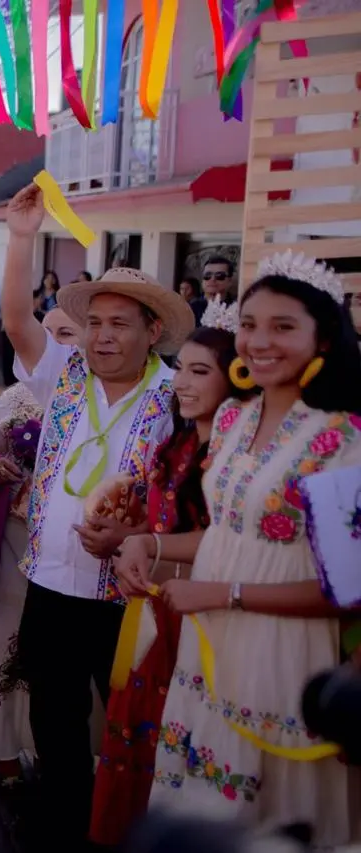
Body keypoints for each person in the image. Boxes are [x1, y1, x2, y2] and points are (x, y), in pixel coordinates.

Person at [116, 253, 361, 847]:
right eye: (250, 324)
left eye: (283, 326)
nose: (260, 341)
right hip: (209, 649)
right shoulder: (230, 419)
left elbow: (345, 591)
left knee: (263, 824)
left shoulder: (343, 437)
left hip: (279, 656)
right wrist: (148, 542)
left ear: (322, 336)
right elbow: (226, 531)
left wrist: (221, 592)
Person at [0, 182, 195, 848]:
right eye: (96, 322)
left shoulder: (176, 396)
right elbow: (19, 322)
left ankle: (120, 831)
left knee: (129, 721)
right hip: (52, 584)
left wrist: (140, 533)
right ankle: (64, 822)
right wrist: (22, 238)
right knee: (54, 720)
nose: (104, 334)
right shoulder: (64, 375)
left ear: (152, 331)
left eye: (121, 323)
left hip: (128, 597)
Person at [90, 314, 253, 848]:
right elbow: (157, 529)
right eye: (181, 368)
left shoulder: (236, 463)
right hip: (155, 611)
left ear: (238, 379)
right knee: (141, 738)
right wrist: (125, 534)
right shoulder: (178, 448)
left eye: (201, 371)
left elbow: (221, 539)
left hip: (203, 620)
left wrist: (146, 544)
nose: (182, 382)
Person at [0, 307, 88, 787]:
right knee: (5, 640)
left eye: (66, 332)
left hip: (70, 545)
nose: (53, 341)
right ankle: (2, 749)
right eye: (47, 331)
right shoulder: (14, 395)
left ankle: (52, 749)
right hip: (16, 540)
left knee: (59, 655)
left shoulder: (90, 398)